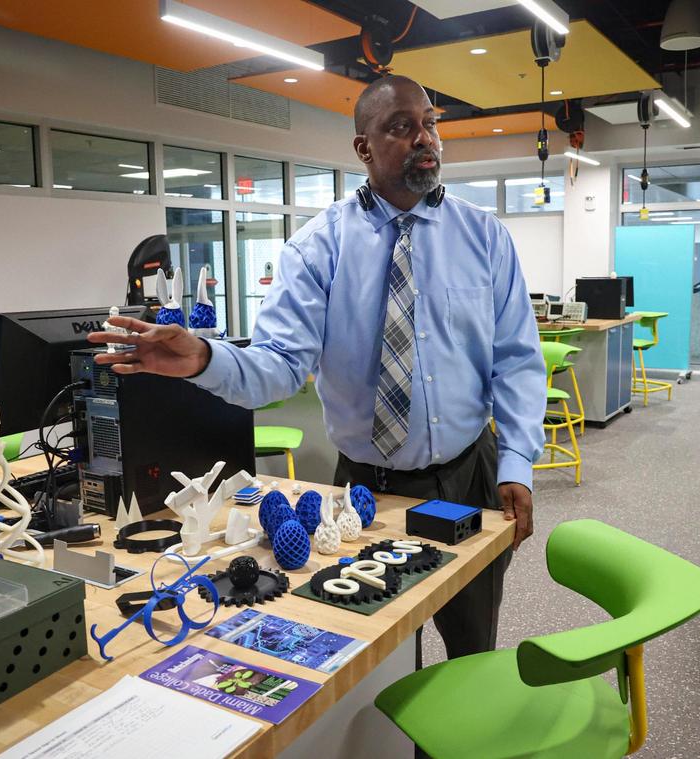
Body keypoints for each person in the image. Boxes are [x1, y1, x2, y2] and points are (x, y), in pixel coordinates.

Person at [89, 75, 546, 662]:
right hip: (365, 489)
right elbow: (279, 368)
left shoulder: (485, 237)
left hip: (470, 475)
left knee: (473, 648)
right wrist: (204, 359)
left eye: (430, 122)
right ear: (364, 148)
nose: (424, 138)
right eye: (401, 127)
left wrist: (517, 462)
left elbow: (517, 361)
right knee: (365, 652)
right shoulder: (316, 248)